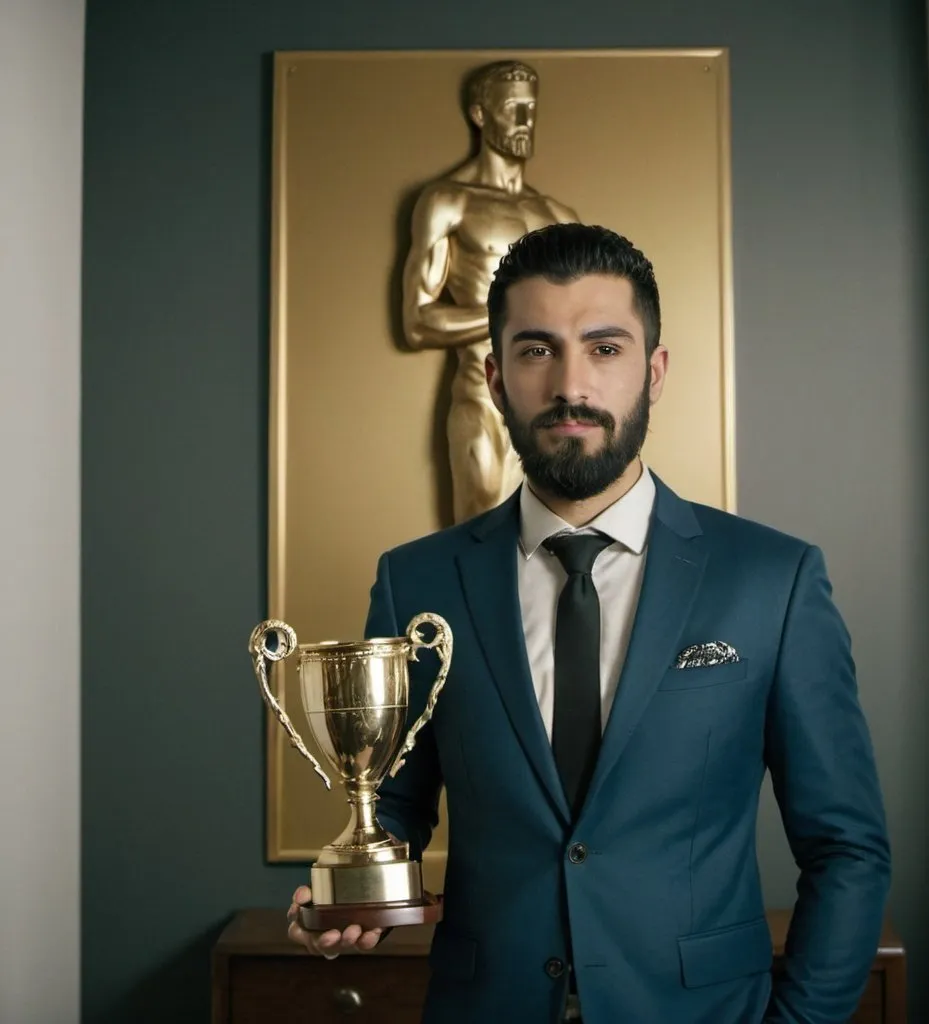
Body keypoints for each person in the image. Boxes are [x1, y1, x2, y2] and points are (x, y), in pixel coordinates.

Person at [289, 224, 892, 1023]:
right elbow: (392, 801)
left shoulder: (771, 580)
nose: (571, 385)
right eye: (536, 350)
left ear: (656, 370)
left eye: (605, 348)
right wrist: (348, 897)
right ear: (495, 376)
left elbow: (846, 847)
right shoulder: (417, 580)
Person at [401, 60, 578, 523]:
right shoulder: (450, 202)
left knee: (560, 538)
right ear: (480, 114)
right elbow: (418, 322)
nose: (525, 121)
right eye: (512, 108)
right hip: (482, 394)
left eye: (530, 108)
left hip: (554, 403)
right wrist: (514, 315)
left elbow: (583, 317)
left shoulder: (559, 216)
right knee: (479, 533)